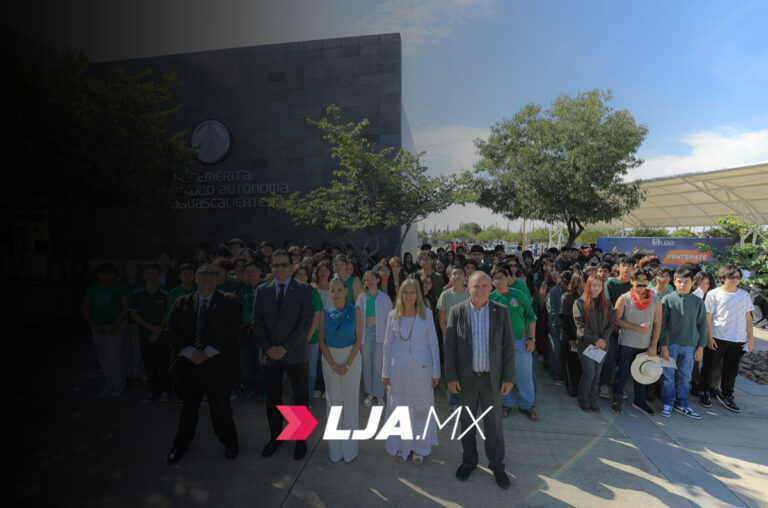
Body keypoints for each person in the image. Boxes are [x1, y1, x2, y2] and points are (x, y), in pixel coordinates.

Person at [445, 271, 515, 490]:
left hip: (491, 380)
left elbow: (509, 347)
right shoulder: (457, 312)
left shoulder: (500, 311)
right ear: (468, 287)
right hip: (466, 380)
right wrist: (451, 377)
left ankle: (497, 465)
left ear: (490, 288)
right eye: (476, 286)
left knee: (494, 425)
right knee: (467, 424)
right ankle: (469, 462)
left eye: (485, 285)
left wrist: (508, 378)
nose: (481, 290)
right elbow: (449, 348)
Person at [165, 263, 241, 465]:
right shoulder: (181, 302)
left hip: (218, 366)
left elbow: (232, 331)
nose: (207, 276)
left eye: (212, 274)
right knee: (188, 409)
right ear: (195, 278)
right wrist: (190, 352)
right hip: (189, 366)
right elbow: (171, 332)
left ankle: (230, 443)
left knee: (221, 409)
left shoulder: (230, 301)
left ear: (218, 279)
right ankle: (180, 444)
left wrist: (206, 353)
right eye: (203, 273)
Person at [254, 250, 314, 460]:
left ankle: (300, 440)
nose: (280, 268)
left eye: (283, 265)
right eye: (276, 265)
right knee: (273, 399)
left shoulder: (304, 289)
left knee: (300, 398)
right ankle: (275, 437)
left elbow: (305, 322)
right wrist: (269, 347)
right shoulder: (262, 291)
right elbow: (258, 324)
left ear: (291, 266)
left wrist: (285, 347)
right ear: (271, 267)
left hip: (295, 353)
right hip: (270, 354)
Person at [382, 278, 440, 464]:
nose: (408, 296)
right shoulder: (393, 315)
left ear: (418, 295)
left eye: (412, 292)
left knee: (420, 409)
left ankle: (419, 449)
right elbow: (387, 345)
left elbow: (433, 344)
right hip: (398, 369)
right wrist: (385, 372)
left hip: (422, 369)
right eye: (405, 292)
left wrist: (436, 372)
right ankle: (403, 446)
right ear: (400, 295)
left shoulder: (427, 314)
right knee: (401, 409)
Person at [697, 265, 755, 413]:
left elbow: (748, 317)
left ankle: (727, 394)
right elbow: (708, 317)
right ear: (723, 278)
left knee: (731, 370)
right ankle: (704, 391)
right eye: (731, 277)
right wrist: (708, 337)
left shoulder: (744, 295)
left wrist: (750, 339)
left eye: (737, 277)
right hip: (717, 336)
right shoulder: (713, 294)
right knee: (709, 367)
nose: (735, 280)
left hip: (738, 339)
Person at [319, 277, 363, 463]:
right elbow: (322, 340)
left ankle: (349, 450)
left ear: (346, 291)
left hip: (351, 359)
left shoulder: (355, 311)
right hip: (330, 360)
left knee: (351, 403)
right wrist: (334, 364)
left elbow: (359, 339)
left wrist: (346, 364)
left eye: (339, 290)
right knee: (333, 403)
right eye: (332, 290)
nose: (336, 294)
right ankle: (334, 450)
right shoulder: (324, 312)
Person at [658, 267, 707, 419]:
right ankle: (668, 402)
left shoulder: (698, 302)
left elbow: (702, 325)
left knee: (685, 376)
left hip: (690, 346)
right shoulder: (667, 299)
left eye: (686, 282)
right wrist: (664, 346)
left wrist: (700, 347)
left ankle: (683, 404)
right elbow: (662, 325)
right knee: (668, 376)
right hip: (670, 345)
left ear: (693, 283)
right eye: (679, 282)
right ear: (674, 282)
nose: (683, 285)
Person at [490, 265, 538, 420]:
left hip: (521, 342)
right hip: (500, 344)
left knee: (524, 375)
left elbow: (531, 318)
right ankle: (506, 403)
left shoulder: (518, 295)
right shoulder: (490, 298)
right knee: (503, 374)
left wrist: (532, 339)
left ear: (508, 278)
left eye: (502, 277)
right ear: (492, 281)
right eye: (496, 278)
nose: (500, 280)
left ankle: (526, 405)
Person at [612, 268, 662, 415]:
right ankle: (617, 399)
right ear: (631, 281)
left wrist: (653, 345)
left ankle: (640, 401)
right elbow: (616, 320)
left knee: (643, 375)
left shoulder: (656, 300)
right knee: (622, 374)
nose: (641, 287)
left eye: (644, 284)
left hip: (645, 345)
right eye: (638, 284)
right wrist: (637, 328)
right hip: (627, 343)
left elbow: (658, 323)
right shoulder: (624, 298)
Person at [83, 262, 131, 398]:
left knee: (115, 355)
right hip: (98, 326)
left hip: (116, 326)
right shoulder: (92, 289)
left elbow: (125, 308)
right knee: (103, 356)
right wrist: (94, 325)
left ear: (115, 274)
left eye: (109, 272)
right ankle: (108, 384)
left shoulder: (121, 288)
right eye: (102, 272)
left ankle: (119, 384)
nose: (106, 275)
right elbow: (85, 309)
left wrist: (116, 325)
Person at [573, 275, 616, 412]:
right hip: (586, 344)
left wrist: (602, 339)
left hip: (603, 345)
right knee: (589, 374)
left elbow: (611, 323)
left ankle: (593, 401)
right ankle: (583, 399)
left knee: (597, 376)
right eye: (593, 285)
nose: (596, 288)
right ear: (588, 286)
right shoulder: (579, 302)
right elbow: (580, 325)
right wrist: (595, 339)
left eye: (599, 285)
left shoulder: (607, 303)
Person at [129, 263, 170, 403]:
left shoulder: (165, 292)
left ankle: (165, 390)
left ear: (159, 274)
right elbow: (134, 314)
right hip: (145, 332)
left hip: (162, 332)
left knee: (164, 363)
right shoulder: (137, 292)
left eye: (153, 272)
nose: (150, 275)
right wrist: (150, 328)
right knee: (149, 363)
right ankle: (153, 390)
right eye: (147, 273)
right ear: (143, 275)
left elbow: (168, 312)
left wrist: (158, 330)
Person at [356, 271, 393, 407]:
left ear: (377, 280)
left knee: (379, 365)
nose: (370, 282)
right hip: (366, 332)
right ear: (364, 282)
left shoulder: (385, 298)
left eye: (372, 279)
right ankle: (370, 393)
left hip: (380, 333)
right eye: (367, 280)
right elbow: (358, 319)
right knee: (367, 364)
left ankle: (379, 395)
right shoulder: (361, 298)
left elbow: (390, 319)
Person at [598, 258, 634, 400]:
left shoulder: (634, 285)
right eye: (624, 265)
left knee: (624, 360)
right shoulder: (610, 283)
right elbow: (607, 307)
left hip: (629, 329)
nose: (626, 268)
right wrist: (614, 326)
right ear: (618, 267)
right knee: (610, 357)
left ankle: (618, 386)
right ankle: (604, 385)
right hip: (611, 329)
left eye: (629, 266)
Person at [436, 265, 471, 412]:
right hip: (450, 339)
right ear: (450, 277)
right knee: (452, 371)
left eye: (460, 274)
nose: (457, 277)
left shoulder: (470, 294)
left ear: (465, 278)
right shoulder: (445, 295)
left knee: (466, 370)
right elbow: (442, 319)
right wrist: (448, 337)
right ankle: (454, 401)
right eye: (454, 274)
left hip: (467, 339)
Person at [559, 271, 582, 397]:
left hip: (586, 338)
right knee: (572, 364)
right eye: (581, 281)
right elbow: (564, 318)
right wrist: (570, 337)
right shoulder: (567, 297)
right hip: (572, 337)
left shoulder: (589, 297)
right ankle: (573, 388)